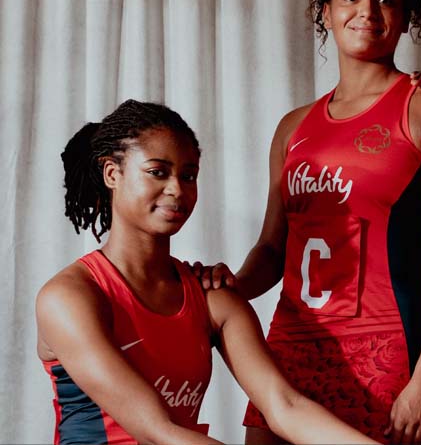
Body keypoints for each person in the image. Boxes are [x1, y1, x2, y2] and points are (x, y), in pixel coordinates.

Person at [194, 0, 421, 444]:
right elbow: (272, 248)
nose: (367, 11)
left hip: (386, 343)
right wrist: (227, 289)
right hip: (292, 343)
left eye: (386, 0)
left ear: (406, 18)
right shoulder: (293, 127)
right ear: (325, 12)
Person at [36, 100, 377, 445]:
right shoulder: (69, 297)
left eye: (188, 176)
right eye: (158, 172)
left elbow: (285, 406)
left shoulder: (212, 299)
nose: (177, 189)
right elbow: (157, 432)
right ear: (112, 174)